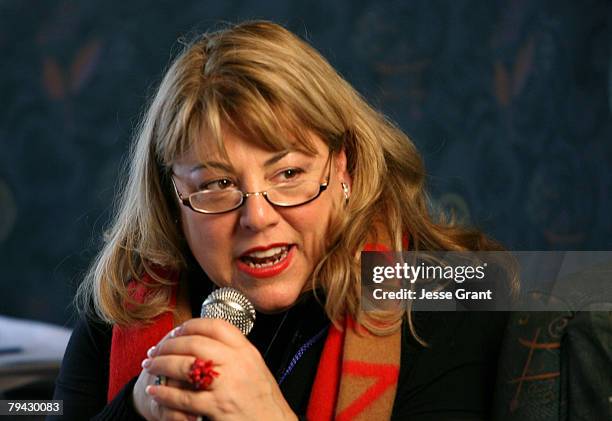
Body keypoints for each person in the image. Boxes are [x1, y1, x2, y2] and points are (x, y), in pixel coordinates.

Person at [51, 20, 508, 420]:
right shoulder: (123, 308)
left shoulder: (451, 292)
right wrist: (136, 407)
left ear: (343, 166)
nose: (258, 217)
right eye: (217, 184)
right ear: (174, 198)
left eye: (288, 174)